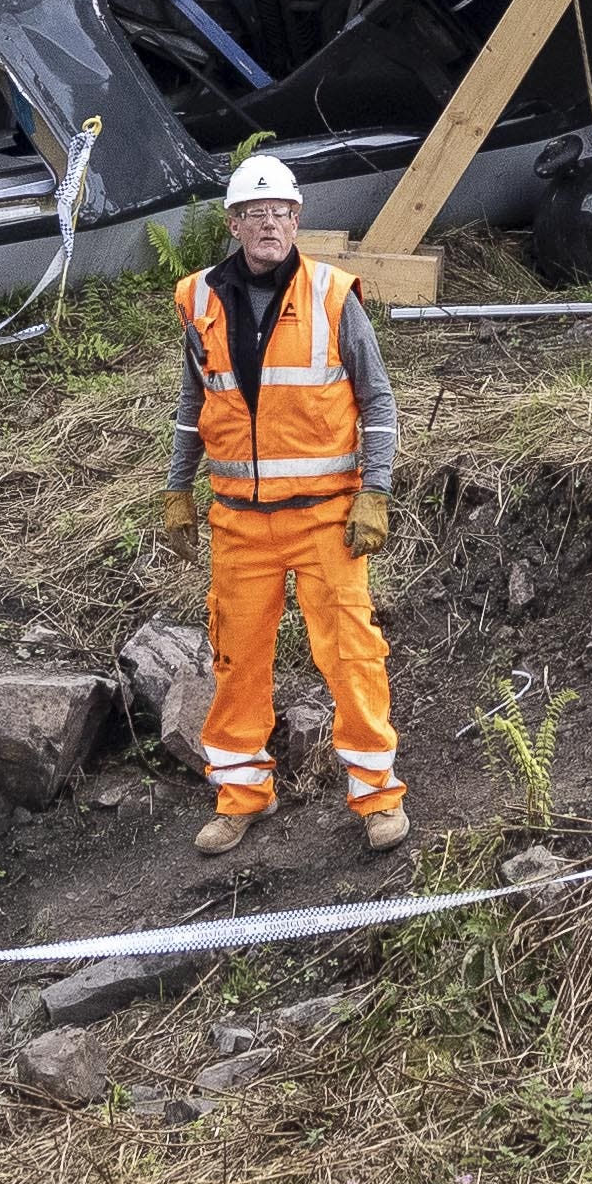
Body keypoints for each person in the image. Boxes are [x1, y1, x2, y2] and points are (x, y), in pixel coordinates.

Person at [172, 150, 405, 858]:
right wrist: (177, 486)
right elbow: (193, 401)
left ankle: (376, 796)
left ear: (297, 220)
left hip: (327, 519)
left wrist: (377, 490)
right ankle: (242, 794)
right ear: (234, 222)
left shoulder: (334, 294)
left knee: (352, 656)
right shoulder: (201, 299)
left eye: (280, 212)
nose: (268, 223)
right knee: (236, 659)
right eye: (254, 212)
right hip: (239, 522)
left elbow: (379, 399)